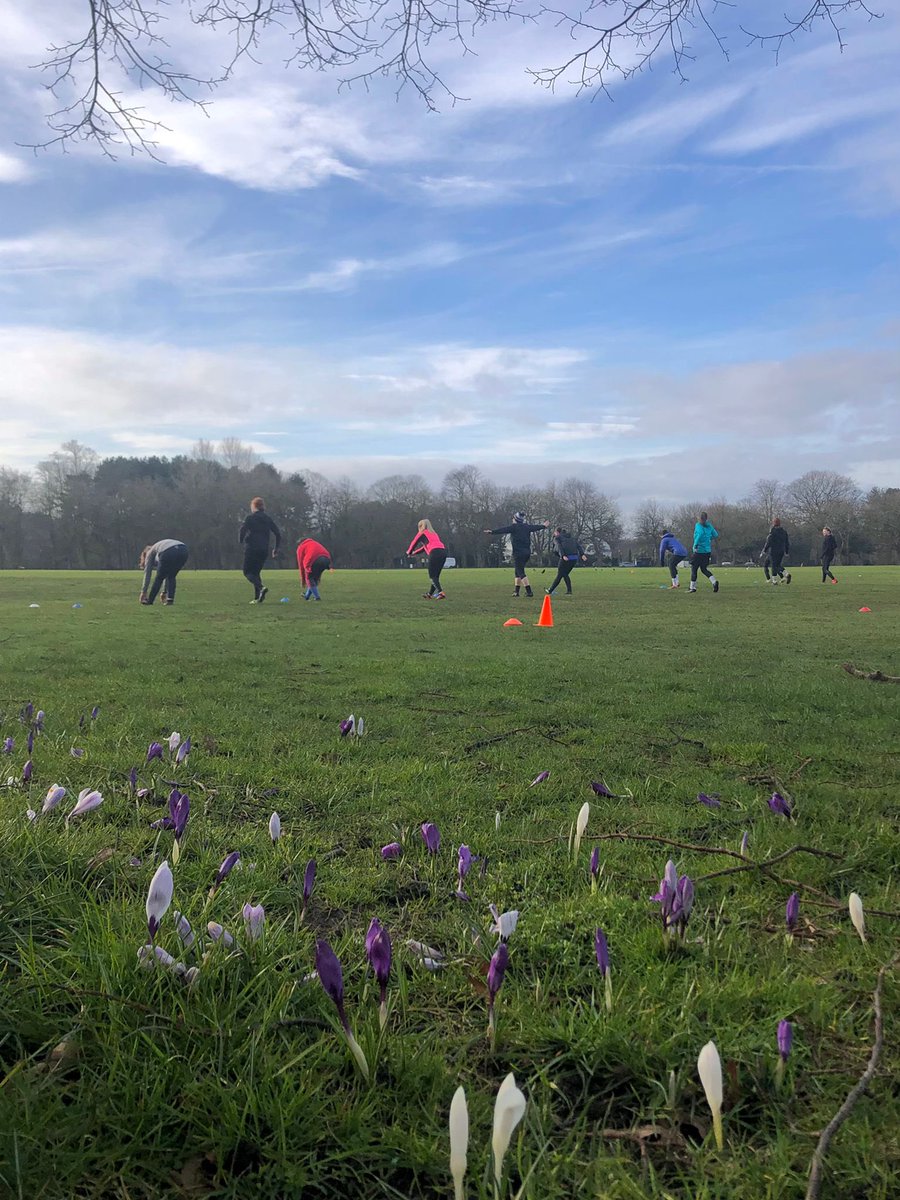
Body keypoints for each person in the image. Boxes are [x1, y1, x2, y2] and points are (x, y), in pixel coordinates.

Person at [483, 512, 549, 597]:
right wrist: (543, 526)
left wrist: (492, 532)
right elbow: (535, 527)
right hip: (527, 553)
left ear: (515, 519)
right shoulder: (526, 527)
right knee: (517, 572)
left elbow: (503, 530)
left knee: (520, 572)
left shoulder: (514, 527)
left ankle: (529, 591)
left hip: (518, 553)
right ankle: (516, 592)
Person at [239, 497, 281, 604]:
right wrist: (275, 549)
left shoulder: (250, 518)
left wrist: (241, 540)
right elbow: (277, 533)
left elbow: (242, 530)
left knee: (247, 572)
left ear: (254, 506)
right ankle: (257, 598)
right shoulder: (267, 519)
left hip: (252, 548)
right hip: (264, 550)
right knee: (256, 573)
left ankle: (261, 588)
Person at [139, 539, 189, 606]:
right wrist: (164, 592)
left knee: (159, 578)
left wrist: (143, 592)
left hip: (169, 551)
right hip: (184, 550)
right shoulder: (159, 547)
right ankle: (170, 599)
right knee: (171, 576)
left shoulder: (149, 553)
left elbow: (147, 573)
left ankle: (150, 600)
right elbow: (166, 573)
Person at [407, 519, 448, 599]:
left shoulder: (422, 533)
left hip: (434, 553)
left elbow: (414, 542)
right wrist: (414, 553)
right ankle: (430, 594)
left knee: (432, 576)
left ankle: (441, 592)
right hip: (443, 552)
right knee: (436, 576)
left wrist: (409, 552)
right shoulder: (434, 534)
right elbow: (424, 548)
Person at [546, 527, 587, 595]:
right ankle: (569, 591)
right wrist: (582, 554)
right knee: (565, 574)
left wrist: (563, 555)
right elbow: (578, 546)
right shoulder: (572, 538)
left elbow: (559, 547)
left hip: (566, 558)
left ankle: (550, 590)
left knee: (560, 574)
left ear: (557, 532)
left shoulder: (557, 538)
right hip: (574, 558)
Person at [690, 511, 719, 594]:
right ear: (706, 518)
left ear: (699, 518)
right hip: (707, 551)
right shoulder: (709, 525)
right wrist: (709, 538)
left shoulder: (698, 525)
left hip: (699, 550)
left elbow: (699, 535)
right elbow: (716, 534)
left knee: (694, 568)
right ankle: (714, 582)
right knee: (704, 569)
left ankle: (692, 587)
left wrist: (695, 545)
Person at [297, 536, 332, 601]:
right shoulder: (314, 542)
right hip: (326, 559)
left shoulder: (301, 547)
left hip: (314, 560)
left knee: (309, 578)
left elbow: (301, 564)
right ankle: (307, 596)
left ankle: (317, 597)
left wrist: (303, 580)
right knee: (314, 579)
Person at [760, 518, 791, 585]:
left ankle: (774, 581)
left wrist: (764, 550)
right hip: (781, 551)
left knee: (774, 565)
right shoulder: (784, 532)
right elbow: (787, 543)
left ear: (774, 523)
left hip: (773, 551)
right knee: (778, 565)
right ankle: (786, 574)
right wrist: (787, 551)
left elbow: (769, 542)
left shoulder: (772, 531)